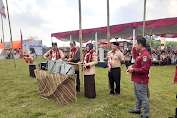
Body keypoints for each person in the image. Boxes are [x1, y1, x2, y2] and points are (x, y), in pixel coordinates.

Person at [127, 37, 151, 118]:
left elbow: (144, 69)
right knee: (138, 95)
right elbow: (138, 64)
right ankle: (137, 109)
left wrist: (133, 69)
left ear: (140, 44)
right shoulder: (141, 54)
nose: (135, 46)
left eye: (136, 44)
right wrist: (131, 66)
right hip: (137, 78)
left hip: (141, 79)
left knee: (143, 97)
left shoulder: (145, 55)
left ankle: (145, 114)